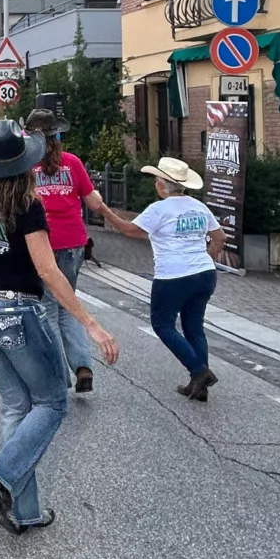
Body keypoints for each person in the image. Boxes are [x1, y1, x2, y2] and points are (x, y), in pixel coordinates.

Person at [0, 121, 119, 534]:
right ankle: (1, 477)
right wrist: (91, 324)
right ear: (23, 166)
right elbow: (48, 271)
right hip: (15, 312)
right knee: (52, 403)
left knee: (17, 406)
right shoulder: (28, 209)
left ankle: (25, 510)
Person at [101, 157, 224, 401]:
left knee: (163, 324)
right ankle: (199, 385)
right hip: (204, 274)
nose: (156, 183)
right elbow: (219, 237)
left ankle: (199, 372)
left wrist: (103, 209)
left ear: (162, 185)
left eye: (157, 179)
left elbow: (129, 230)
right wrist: (206, 259)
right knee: (194, 326)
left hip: (173, 275)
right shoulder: (198, 206)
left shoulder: (159, 209)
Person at [24, 109, 107, 393]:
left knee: (47, 309)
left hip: (42, 244)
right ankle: (83, 365)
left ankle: (57, 374)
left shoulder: (26, 167)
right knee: (68, 305)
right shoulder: (72, 163)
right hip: (74, 244)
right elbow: (93, 202)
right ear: (57, 136)